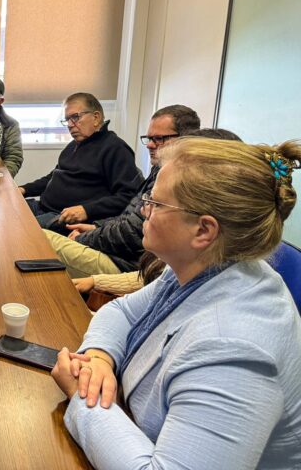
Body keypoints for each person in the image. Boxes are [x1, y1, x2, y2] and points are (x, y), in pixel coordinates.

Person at [52, 137, 301, 469]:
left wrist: (83, 397)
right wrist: (98, 358)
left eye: (156, 203)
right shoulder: (207, 264)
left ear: (203, 230)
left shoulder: (236, 347)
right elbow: (122, 311)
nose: (144, 210)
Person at [43, 105, 201, 291]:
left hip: (125, 263)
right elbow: (129, 217)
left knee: (38, 237)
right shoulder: (159, 170)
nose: (150, 144)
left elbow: (132, 233)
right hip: (109, 243)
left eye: (159, 139)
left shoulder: (180, 180)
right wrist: (97, 227)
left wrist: (85, 236)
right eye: (149, 138)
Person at [19, 93, 141, 232]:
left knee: (18, 229)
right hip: (42, 206)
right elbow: (53, 177)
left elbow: (128, 196)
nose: (70, 125)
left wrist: (86, 210)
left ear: (96, 117)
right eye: (67, 120)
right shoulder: (73, 145)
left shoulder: (115, 148)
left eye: (75, 117)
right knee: (5, 209)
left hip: (62, 217)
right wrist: (23, 189)